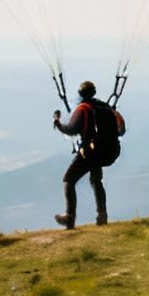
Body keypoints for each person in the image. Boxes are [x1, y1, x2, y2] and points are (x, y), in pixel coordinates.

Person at [52, 79, 123, 229]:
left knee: (68, 180)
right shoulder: (106, 107)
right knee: (96, 180)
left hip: (90, 152)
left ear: (80, 93)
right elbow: (120, 130)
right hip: (108, 152)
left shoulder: (83, 108)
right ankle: (102, 215)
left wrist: (57, 122)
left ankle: (69, 219)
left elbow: (70, 129)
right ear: (94, 93)